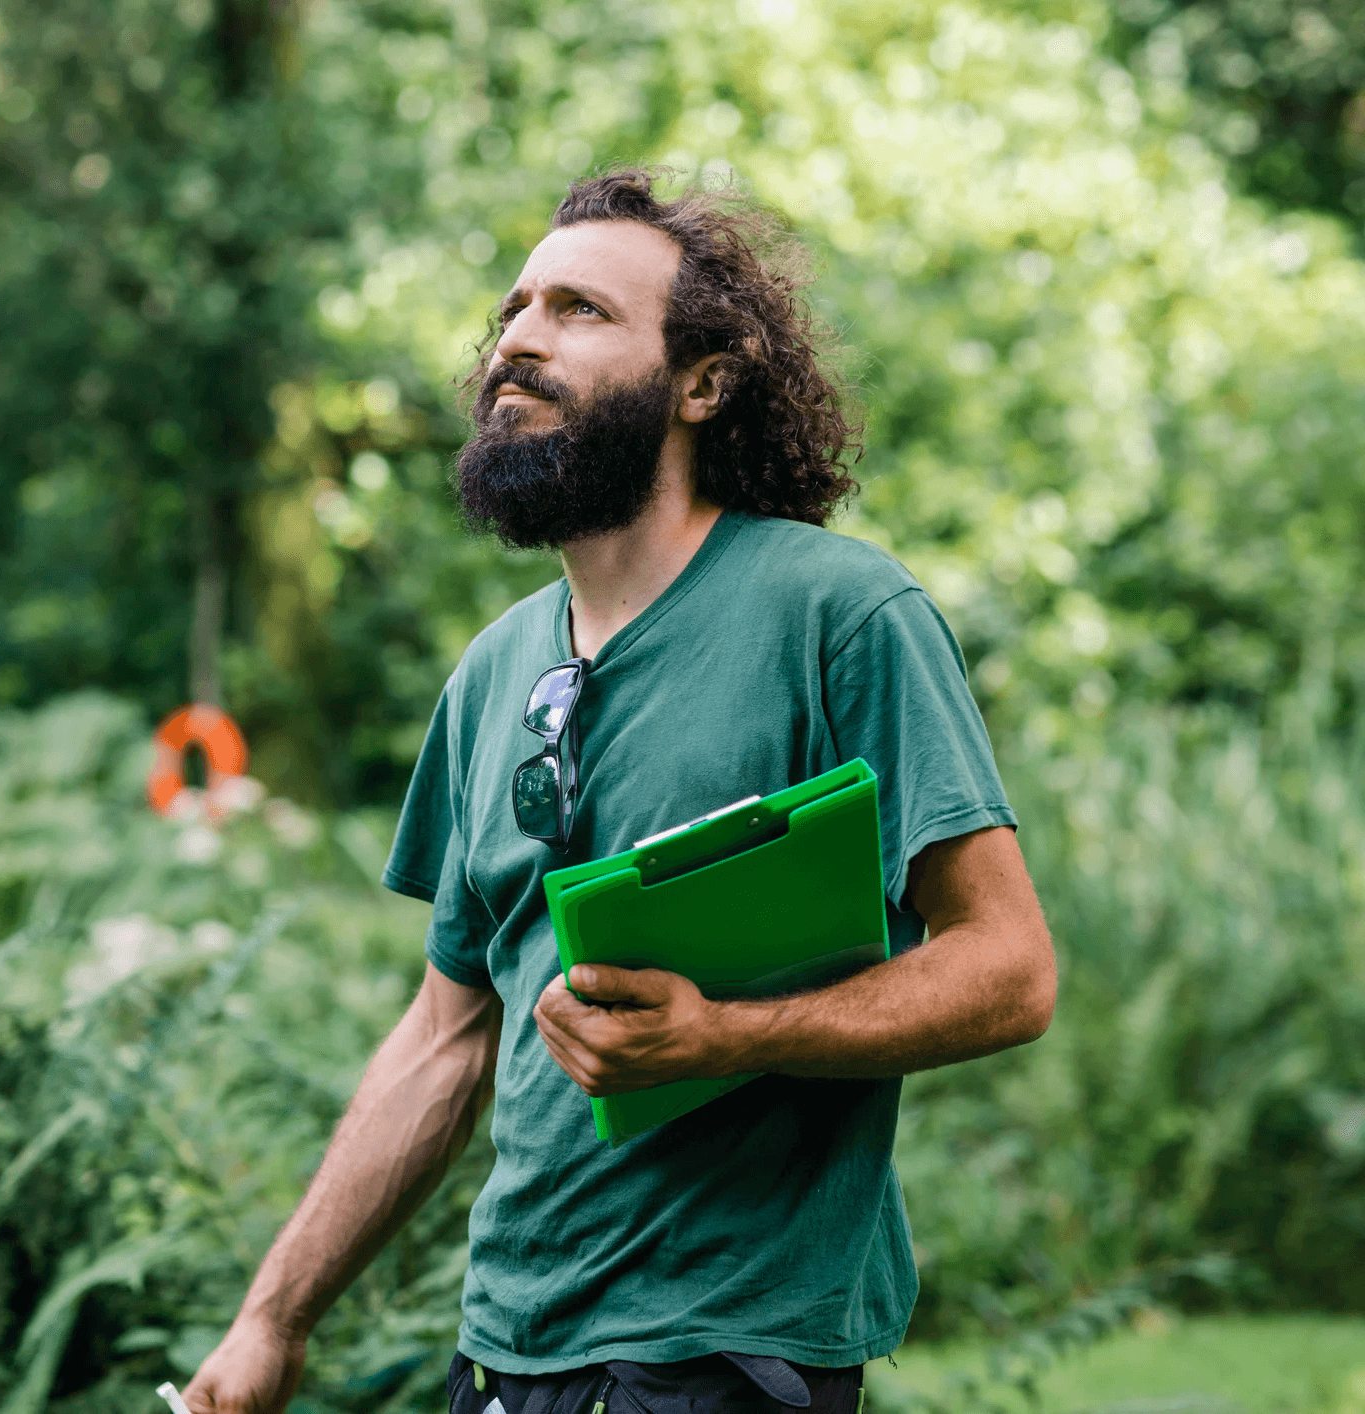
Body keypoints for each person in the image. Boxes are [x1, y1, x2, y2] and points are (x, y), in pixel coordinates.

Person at [183, 168, 1056, 1414]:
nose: (521, 340)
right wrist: (272, 1319)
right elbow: (446, 1037)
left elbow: (1010, 967)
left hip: (723, 1356)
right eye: (516, 310)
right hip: (503, 1360)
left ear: (702, 383)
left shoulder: (838, 613)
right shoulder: (493, 672)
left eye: (582, 310)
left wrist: (728, 1036)